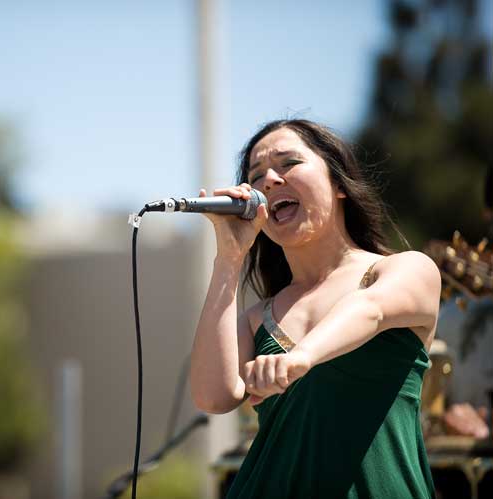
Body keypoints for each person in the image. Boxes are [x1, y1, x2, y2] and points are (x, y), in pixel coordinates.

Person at [189, 119, 441, 498]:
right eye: (257, 176)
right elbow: (213, 396)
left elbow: (370, 310)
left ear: (339, 184)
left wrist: (300, 358)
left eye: (289, 163)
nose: (270, 180)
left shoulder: (404, 269)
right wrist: (228, 257)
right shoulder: (259, 317)